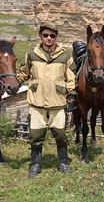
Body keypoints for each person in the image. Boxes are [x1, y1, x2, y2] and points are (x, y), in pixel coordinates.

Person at [18, 24, 76, 177]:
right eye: (45, 35)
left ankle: (63, 163)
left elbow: (71, 78)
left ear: (56, 37)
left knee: (61, 135)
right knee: (36, 136)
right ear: (40, 36)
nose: (49, 38)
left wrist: (72, 94)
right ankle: (35, 164)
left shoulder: (65, 56)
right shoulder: (31, 54)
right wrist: (15, 81)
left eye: (52, 35)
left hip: (58, 102)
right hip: (37, 102)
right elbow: (24, 73)